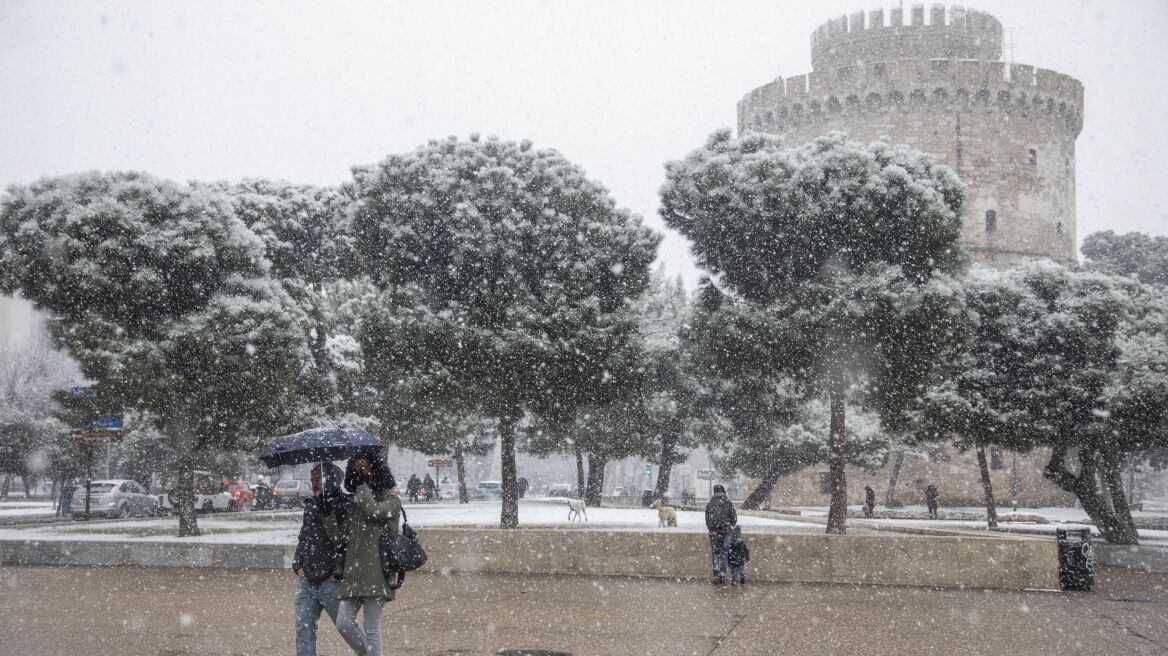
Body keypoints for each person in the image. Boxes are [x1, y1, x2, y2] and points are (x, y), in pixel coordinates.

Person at [336, 449, 402, 656]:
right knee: (343, 623)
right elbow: (342, 535)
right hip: (354, 574)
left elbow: (373, 510)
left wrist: (361, 485)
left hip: (377, 573)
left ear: (377, 470)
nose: (362, 472)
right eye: (358, 469)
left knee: (372, 627)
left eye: (366, 468)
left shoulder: (391, 501)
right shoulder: (356, 502)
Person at [293, 462, 353, 656]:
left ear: (331, 479)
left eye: (318, 478)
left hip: (330, 580)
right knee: (304, 629)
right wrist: (297, 562)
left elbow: (347, 540)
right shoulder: (311, 504)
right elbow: (304, 535)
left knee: (346, 628)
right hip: (307, 579)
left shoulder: (343, 503)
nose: (314, 483)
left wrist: (338, 569)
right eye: (312, 479)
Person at [704, 484, 737, 585]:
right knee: (724, 553)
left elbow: (707, 519)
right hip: (726, 531)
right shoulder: (728, 503)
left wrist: (712, 529)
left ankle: (715, 574)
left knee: (715, 553)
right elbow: (734, 518)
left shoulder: (710, 504)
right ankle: (722, 575)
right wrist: (730, 527)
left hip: (714, 532)